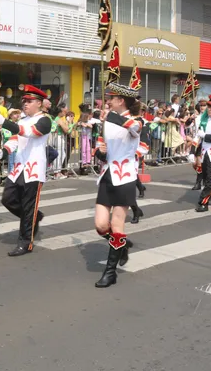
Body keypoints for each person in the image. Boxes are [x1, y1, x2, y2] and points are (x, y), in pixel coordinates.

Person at [0, 85, 51, 257]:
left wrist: (7, 123)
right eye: (24, 100)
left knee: (27, 206)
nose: (25, 103)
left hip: (34, 169)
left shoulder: (45, 120)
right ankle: (33, 217)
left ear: (39, 103)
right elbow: (15, 140)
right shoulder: (22, 121)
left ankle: (25, 242)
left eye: (29, 101)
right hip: (18, 168)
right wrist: (3, 152)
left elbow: (32, 133)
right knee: (8, 199)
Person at [92, 83, 142, 288]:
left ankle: (110, 272)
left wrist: (109, 117)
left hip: (125, 176)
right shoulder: (107, 121)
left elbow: (134, 129)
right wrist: (100, 152)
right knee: (101, 225)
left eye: (111, 98)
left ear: (121, 101)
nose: (108, 101)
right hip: (107, 175)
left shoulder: (136, 120)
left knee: (116, 224)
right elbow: (100, 146)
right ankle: (122, 244)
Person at [187, 95, 211, 213]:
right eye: (208, 106)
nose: (209, 109)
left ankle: (203, 203)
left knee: (210, 179)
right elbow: (197, 138)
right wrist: (192, 152)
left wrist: (204, 135)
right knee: (207, 178)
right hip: (205, 152)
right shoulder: (204, 120)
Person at [130, 100, 149, 224]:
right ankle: (136, 209)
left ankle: (135, 210)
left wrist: (135, 153)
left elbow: (144, 145)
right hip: (119, 158)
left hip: (132, 156)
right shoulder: (126, 120)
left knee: (128, 187)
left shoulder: (143, 123)